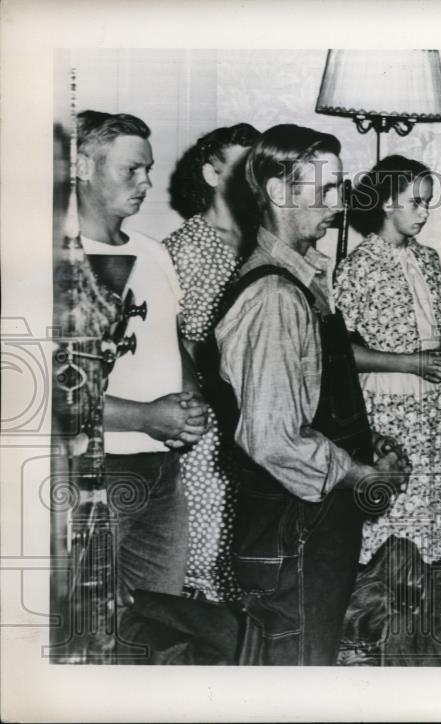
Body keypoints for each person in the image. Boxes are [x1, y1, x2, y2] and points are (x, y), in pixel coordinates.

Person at [214, 124, 409, 665]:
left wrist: (367, 445)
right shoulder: (274, 295)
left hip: (317, 522)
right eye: (324, 192)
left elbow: (312, 401)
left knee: (308, 655)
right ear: (278, 193)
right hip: (291, 529)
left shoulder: (306, 280)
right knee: (295, 667)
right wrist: (356, 471)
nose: (338, 206)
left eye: (339, 190)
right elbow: (273, 438)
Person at [75, 110, 207, 601]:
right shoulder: (51, 259)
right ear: (82, 166)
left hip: (161, 471)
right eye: (131, 169)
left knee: (160, 614)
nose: (146, 181)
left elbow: (170, 338)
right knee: (85, 615)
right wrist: (148, 416)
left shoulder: (153, 252)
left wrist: (191, 399)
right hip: (92, 469)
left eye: (148, 168)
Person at [332, 155, 441, 568]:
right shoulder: (358, 266)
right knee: (391, 500)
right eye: (415, 202)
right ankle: (376, 594)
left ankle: (416, 580)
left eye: (428, 203)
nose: (424, 212)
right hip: (386, 409)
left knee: (426, 497)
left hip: (430, 404)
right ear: (387, 202)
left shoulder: (429, 259)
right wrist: (411, 363)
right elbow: (341, 355)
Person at [163, 123, 261, 602]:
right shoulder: (184, 248)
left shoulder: (261, 243)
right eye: (242, 166)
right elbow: (175, 342)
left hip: (258, 411)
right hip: (210, 415)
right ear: (210, 171)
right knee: (208, 540)